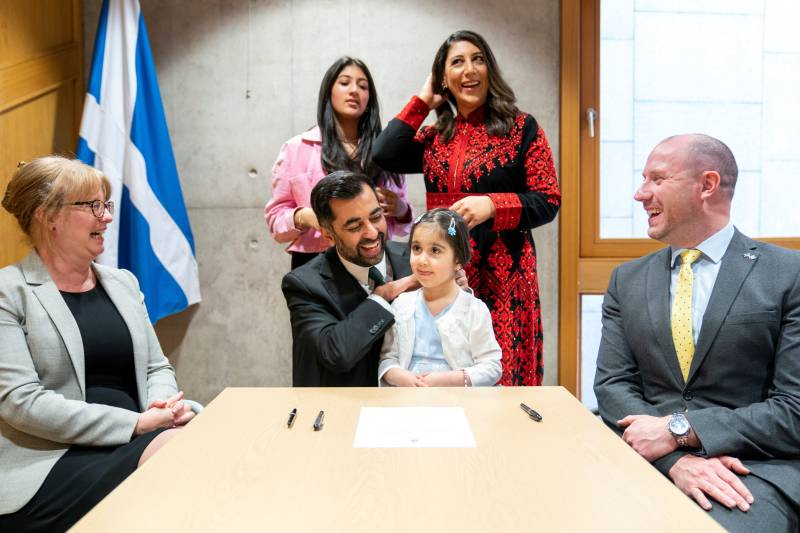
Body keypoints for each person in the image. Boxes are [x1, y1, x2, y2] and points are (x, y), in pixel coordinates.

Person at [593, 134, 800, 532]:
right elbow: (613, 388)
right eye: (643, 179)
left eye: (657, 179)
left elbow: (793, 409)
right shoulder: (627, 281)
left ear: (707, 185)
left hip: (748, 471)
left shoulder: (787, 275)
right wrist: (676, 460)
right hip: (643, 459)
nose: (640, 193)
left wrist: (682, 432)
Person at [0, 156, 195, 532]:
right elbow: (21, 402)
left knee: (205, 443)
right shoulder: (9, 292)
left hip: (140, 438)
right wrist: (136, 424)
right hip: (48, 462)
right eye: (92, 205)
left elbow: (157, 367)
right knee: (177, 457)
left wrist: (164, 406)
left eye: (106, 204)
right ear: (48, 216)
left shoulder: (122, 282)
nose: (106, 216)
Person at [373, 30, 561, 386]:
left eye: (478, 59)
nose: (469, 69)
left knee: (498, 375)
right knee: (440, 370)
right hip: (443, 275)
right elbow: (384, 153)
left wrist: (493, 204)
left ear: (489, 69)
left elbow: (548, 199)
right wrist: (424, 100)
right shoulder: (434, 137)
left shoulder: (521, 128)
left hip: (504, 275)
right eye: (457, 62)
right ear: (443, 78)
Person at [265, 56, 413, 270]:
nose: (354, 91)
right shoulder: (297, 148)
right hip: (317, 263)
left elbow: (403, 225)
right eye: (344, 83)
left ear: (369, 98)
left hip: (375, 260)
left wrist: (401, 209)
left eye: (363, 86)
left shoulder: (385, 150)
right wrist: (304, 216)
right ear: (329, 92)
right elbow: (276, 220)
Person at [281, 171, 416, 386]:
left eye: (376, 217)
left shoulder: (415, 260)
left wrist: (456, 293)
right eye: (355, 227)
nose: (372, 233)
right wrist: (383, 295)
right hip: (341, 409)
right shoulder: (304, 284)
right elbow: (336, 353)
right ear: (328, 235)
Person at [378, 209, 501, 387]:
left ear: (458, 259)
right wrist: (399, 376)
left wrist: (450, 379)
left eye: (435, 250)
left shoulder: (474, 309)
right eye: (416, 248)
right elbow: (388, 358)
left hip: (457, 400)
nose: (422, 260)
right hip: (408, 399)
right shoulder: (401, 305)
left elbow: (491, 367)